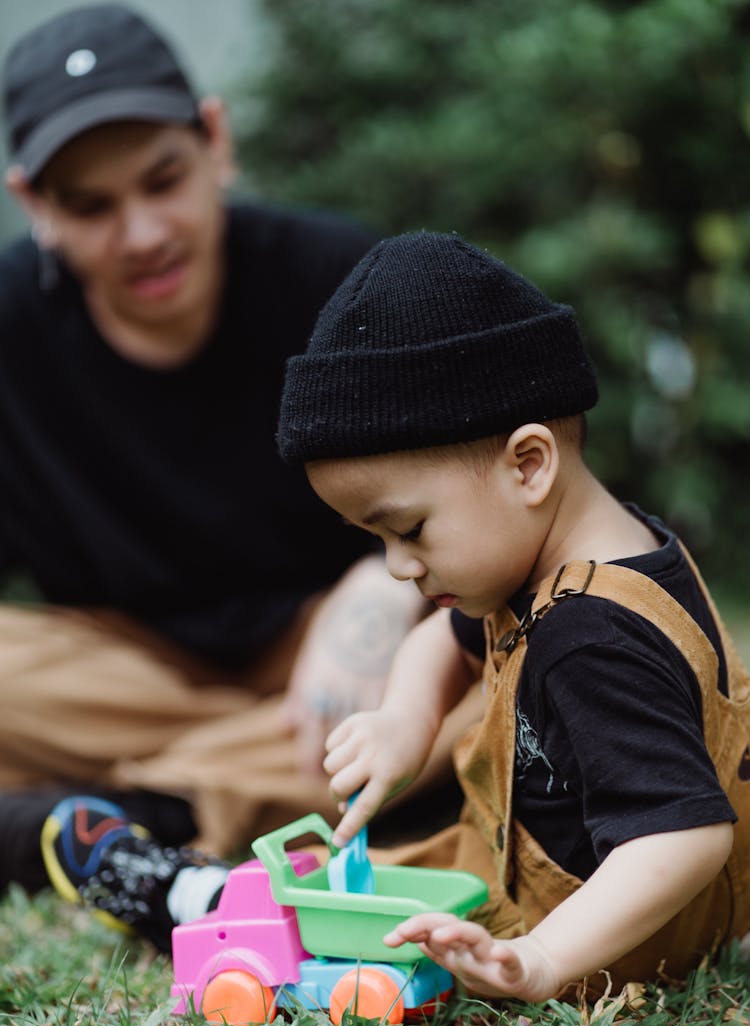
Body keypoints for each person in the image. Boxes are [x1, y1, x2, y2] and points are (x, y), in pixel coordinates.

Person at [0, 5, 473, 934]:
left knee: (514, 674)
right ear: (35, 208)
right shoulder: (11, 329)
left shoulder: (343, 278)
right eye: (92, 206)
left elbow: (488, 495)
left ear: (215, 143)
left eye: (162, 180)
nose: (141, 234)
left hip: (348, 657)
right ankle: (222, 793)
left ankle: (124, 815)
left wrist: (379, 583)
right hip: (122, 668)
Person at [276, 230, 750, 1002]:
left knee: (344, 920)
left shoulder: (588, 636)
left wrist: (543, 957)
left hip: (593, 926)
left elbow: (684, 833)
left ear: (528, 464)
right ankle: (194, 891)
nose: (397, 566)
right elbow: (443, 640)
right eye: (376, 540)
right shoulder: (562, 558)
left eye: (410, 529)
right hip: (507, 866)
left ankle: (185, 892)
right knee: (352, 891)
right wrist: (404, 720)